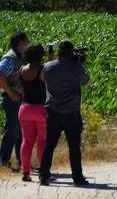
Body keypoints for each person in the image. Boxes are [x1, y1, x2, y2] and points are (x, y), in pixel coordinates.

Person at [39, 40, 90, 186]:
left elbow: (42, 78)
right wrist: (79, 64)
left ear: (59, 51)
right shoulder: (75, 66)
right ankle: (78, 178)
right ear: (71, 52)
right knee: (74, 146)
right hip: (71, 112)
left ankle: (44, 176)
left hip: (53, 111)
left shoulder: (48, 66)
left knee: (49, 145)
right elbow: (85, 81)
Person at [0, 31, 29, 169]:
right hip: (12, 100)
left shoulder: (20, 56)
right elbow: (0, 75)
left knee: (20, 132)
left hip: (19, 99)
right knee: (12, 131)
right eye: (27, 42)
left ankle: (21, 161)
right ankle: (3, 162)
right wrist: (11, 93)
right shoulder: (11, 58)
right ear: (21, 43)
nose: (28, 44)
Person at [18, 43, 46, 182]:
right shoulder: (42, 70)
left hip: (24, 108)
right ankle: (43, 172)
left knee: (26, 141)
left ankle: (26, 172)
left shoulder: (22, 69)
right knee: (42, 141)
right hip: (41, 109)